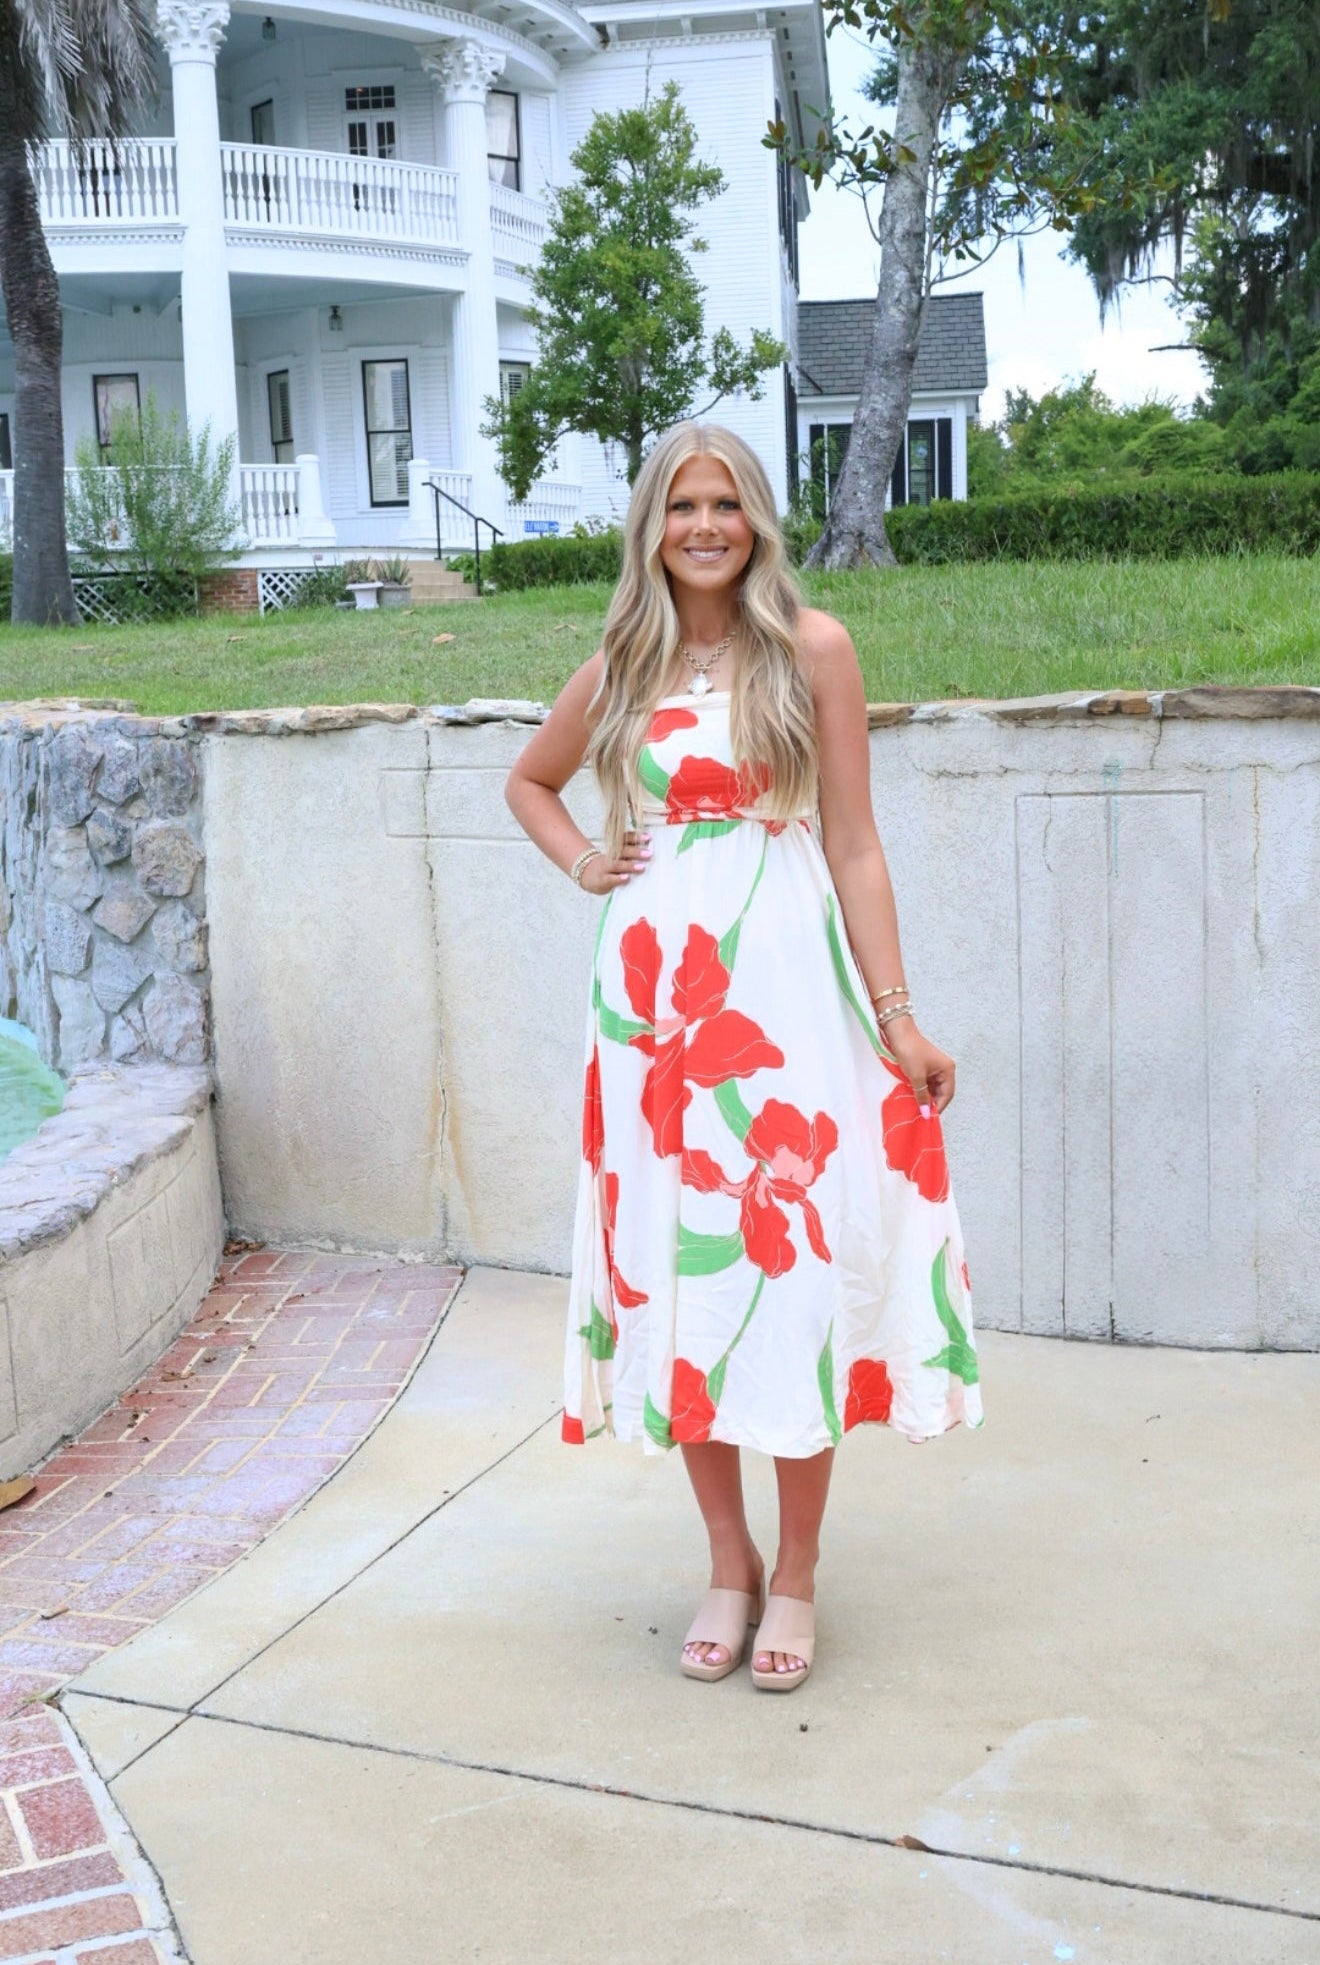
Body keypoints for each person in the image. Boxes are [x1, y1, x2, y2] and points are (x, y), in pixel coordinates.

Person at [505, 420, 983, 1694]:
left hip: (781, 1000)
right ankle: (730, 1562)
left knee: (792, 1271)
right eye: (682, 506)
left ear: (756, 519)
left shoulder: (812, 648)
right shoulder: (624, 661)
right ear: (652, 529)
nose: (705, 526)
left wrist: (897, 1016)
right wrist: (587, 863)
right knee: (683, 1271)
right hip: (652, 1016)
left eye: (724, 503)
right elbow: (530, 783)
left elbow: (855, 844)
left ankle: (802, 1571)